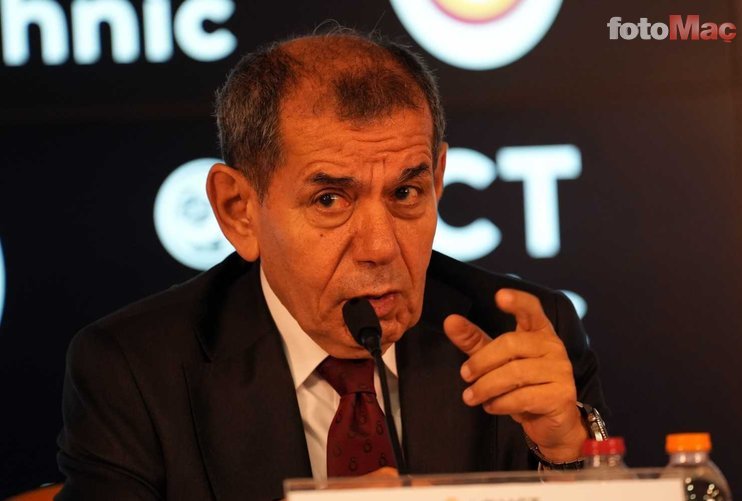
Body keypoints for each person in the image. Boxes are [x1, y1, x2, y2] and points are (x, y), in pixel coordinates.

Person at [55, 29, 606, 500]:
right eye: (329, 200)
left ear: (438, 179)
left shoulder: (523, 336)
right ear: (239, 209)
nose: (380, 247)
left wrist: (566, 454)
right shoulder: (135, 371)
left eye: (406, 192)